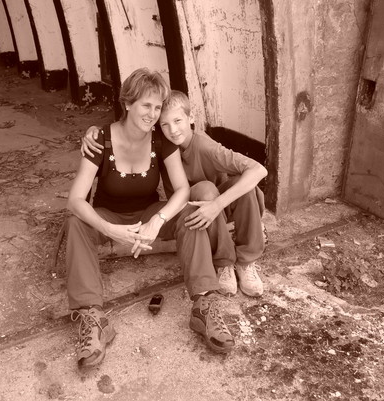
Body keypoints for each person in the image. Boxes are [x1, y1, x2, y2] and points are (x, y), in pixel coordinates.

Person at [66, 70, 234, 369]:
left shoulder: (160, 139)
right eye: (146, 105)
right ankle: (93, 318)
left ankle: (204, 304)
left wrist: (158, 219)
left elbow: (182, 189)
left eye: (157, 107)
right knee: (76, 222)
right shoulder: (101, 139)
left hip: (148, 213)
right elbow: (76, 199)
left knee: (190, 212)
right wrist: (109, 229)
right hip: (109, 215)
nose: (153, 114)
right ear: (128, 103)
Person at [82, 90, 268, 297]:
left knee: (226, 188)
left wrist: (216, 205)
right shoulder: (161, 142)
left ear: (191, 118)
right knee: (203, 191)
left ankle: (246, 262)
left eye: (178, 121)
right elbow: (127, 127)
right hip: (189, 211)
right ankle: (224, 262)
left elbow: (259, 170)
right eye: (164, 124)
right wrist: (93, 130)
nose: (173, 130)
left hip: (218, 207)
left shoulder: (205, 146)